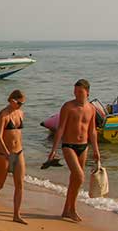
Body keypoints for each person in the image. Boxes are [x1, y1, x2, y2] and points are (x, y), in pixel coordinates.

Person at [44, 79, 102, 222]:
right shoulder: (68, 107)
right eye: (75, 92)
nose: (76, 95)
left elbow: (92, 130)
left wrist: (96, 150)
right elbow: (61, 128)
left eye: (80, 92)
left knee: (75, 180)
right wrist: (53, 149)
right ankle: (72, 209)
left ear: (87, 92)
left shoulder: (92, 109)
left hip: (84, 146)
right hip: (69, 145)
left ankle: (67, 210)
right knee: (80, 176)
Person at [0, 90, 28, 224]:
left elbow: (18, 134)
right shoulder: (3, 114)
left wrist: (16, 151)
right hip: (3, 154)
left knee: (20, 184)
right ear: (12, 101)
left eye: (23, 103)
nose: (21, 106)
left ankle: (16, 214)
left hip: (19, 152)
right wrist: (6, 152)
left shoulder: (21, 113)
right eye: (19, 103)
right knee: (0, 183)